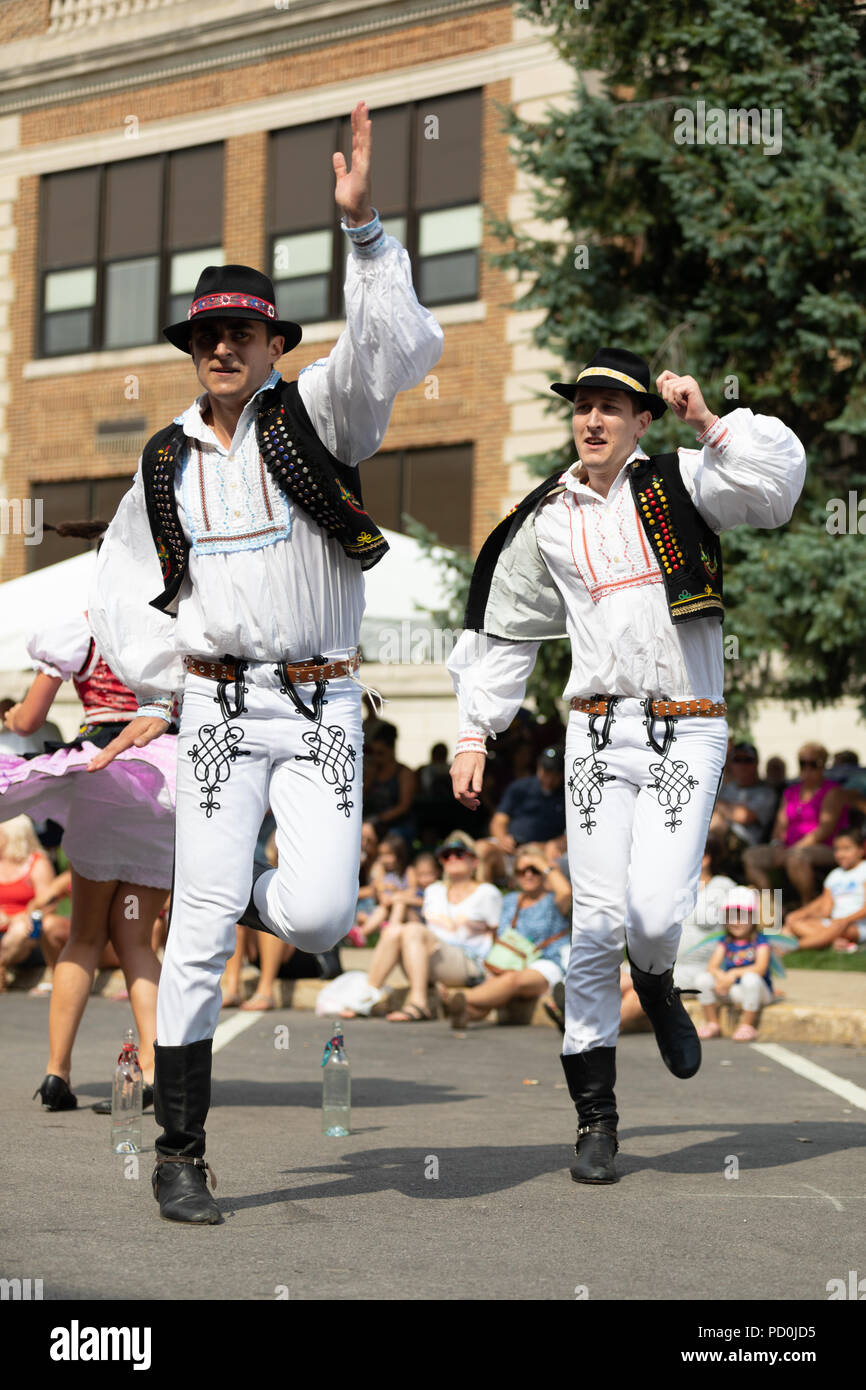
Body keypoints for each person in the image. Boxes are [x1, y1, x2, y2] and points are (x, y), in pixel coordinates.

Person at [86, 100, 443, 1223]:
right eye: (205, 335)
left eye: (242, 330)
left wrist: (366, 229)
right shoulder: (163, 462)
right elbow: (123, 585)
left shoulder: (320, 418)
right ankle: (181, 1154)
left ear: (277, 343)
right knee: (193, 935)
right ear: (191, 350)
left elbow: (394, 349)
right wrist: (152, 697)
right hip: (217, 713)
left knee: (329, 913)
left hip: (325, 705)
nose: (223, 347)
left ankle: (229, 885)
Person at [449, 347, 805, 1183]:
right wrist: (475, 730)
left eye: (613, 406)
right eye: (584, 405)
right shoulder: (547, 515)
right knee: (595, 919)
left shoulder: (689, 480)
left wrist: (710, 421)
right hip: (599, 734)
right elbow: (507, 620)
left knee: (651, 914)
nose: (594, 418)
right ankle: (596, 1120)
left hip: (690, 728)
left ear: (642, 419)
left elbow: (778, 489)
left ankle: (656, 974)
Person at [0, 599, 175, 1112]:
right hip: (164, 780)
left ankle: (57, 1073)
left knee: (84, 936)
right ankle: (151, 1069)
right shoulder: (171, 622)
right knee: (138, 941)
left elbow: (30, 719)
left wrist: (11, 713)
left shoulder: (82, 627)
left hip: (103, 769)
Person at [440, 844, 571, 1028]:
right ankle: (464, 1012)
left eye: (533, 870)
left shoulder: (553, 901)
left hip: (545, 963)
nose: (528, 875)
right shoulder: (508, 901)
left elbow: (566, 891)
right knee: (494, 993)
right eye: (522, 870)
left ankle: (458, 998)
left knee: (511, 981)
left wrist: (541, 863)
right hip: (508, 964)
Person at [743, 743, 849, 906]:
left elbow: (824, 830)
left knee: (796, 858)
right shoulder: (790, 792)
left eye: (813, 763)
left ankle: (806, 906)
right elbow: (780, 825)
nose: (807, 768)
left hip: (824, 847)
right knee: (751, 856)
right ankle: (771, 909)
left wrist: (794, 849)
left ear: (823, 765)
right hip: (788, 848)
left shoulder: (832, 791)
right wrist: (777, 845)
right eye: (802, 763)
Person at [693, 888, 774, 1042]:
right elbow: (712, 967)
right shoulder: (725, 941)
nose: (736, 922)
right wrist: (721, 976)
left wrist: (734, 974)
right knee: (702, 980)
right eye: (731, 917)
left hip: (758, 993)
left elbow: (760, 968)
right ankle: (712, 1023)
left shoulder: (760, 942)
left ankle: (747, 1025)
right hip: (734, 990)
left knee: (751, 979)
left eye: (742, 917)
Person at [0, 817, 66, 992]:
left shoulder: (37, 863)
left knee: (21, 928)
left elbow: (47, 904)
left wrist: (15, 918)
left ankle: (1, 964)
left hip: (26, 932)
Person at [784, 828, 866, 952]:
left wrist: (846, 920)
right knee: (793, 924)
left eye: (846, 849)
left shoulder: (863, 870)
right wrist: (803, 914)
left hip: (857, 925)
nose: (840, 854)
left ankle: (794, 947)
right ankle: (832, 942)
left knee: (836, 927)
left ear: (861, 849)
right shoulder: (834, 875)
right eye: (837, 849)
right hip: (833, 923)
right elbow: (826, 910)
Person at [487, 746, 567, 854]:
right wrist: (502, 839)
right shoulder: (520, 787)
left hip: (544, 852)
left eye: (554, 773)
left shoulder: (569, 797)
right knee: (482, 849)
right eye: (546, 771)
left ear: (562, 774)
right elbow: (499, 820)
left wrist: (554, 844)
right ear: (539, 766)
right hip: (511, 846)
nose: (549, 778)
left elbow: (574, 832)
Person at [710, 741, 778, 864]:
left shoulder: (766, 793)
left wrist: (718, 805)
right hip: (720, 840)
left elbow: (744, 816)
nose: (742, 765)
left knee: (715, 821)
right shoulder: (725, 788)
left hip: (746, 845)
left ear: (756, 764)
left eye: (748, 760)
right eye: (737, 760)